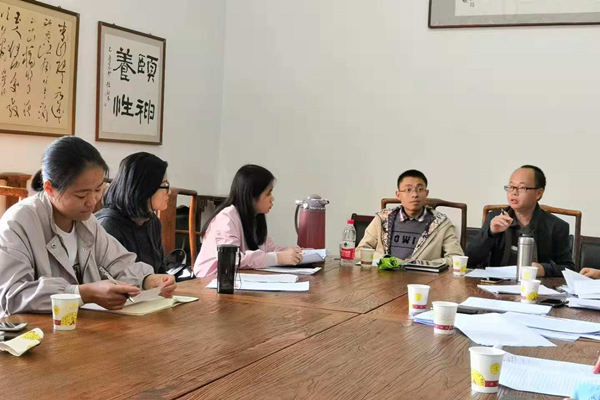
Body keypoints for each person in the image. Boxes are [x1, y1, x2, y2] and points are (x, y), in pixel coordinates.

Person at [0, 137, 176, 317]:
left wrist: (147, 280)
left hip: (81, 327)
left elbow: (118, 263)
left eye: (98, 190)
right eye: (81, 195)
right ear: (49, 188)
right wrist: (82, 293)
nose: (92, 201)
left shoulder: (87, 221)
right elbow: (11, 295)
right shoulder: (19, 222)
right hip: (34, 331)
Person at [194, 164, 302, 278]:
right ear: (251, 196)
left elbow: (268, 249)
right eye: (268, 193)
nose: (272, 198)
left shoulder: (255, 217)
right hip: (210, 281)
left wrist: (295, 252)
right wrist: (277, 258)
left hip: (238, 280)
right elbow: (231, 259)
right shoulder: (226, 218)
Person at [466, 165, 574, 277]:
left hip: (534, 285)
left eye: (521, 188)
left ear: (538, 193)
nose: (514, 192)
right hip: (497, 284)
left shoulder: (556, 226)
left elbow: (569, 269)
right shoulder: (495, 218)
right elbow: (469, 261)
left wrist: (544, 269)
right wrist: (491, 233)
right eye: (511, 187)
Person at [355, 169, 463, 266]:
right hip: (383, 278)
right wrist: (388, 260)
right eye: (408, 190)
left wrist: (422, 264)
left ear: (426, 193)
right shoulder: (382, 219)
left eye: (420, 189)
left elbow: (456, 259)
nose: (415, 194)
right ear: (398, 195)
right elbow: (360, 252)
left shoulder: (441, 223)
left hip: (423, 279)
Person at [96, 153, 169, 274]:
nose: (169, 191)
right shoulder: (108, 227)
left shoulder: (152, 221)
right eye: (165, 185)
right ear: (145, 188)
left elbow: (160, 272)